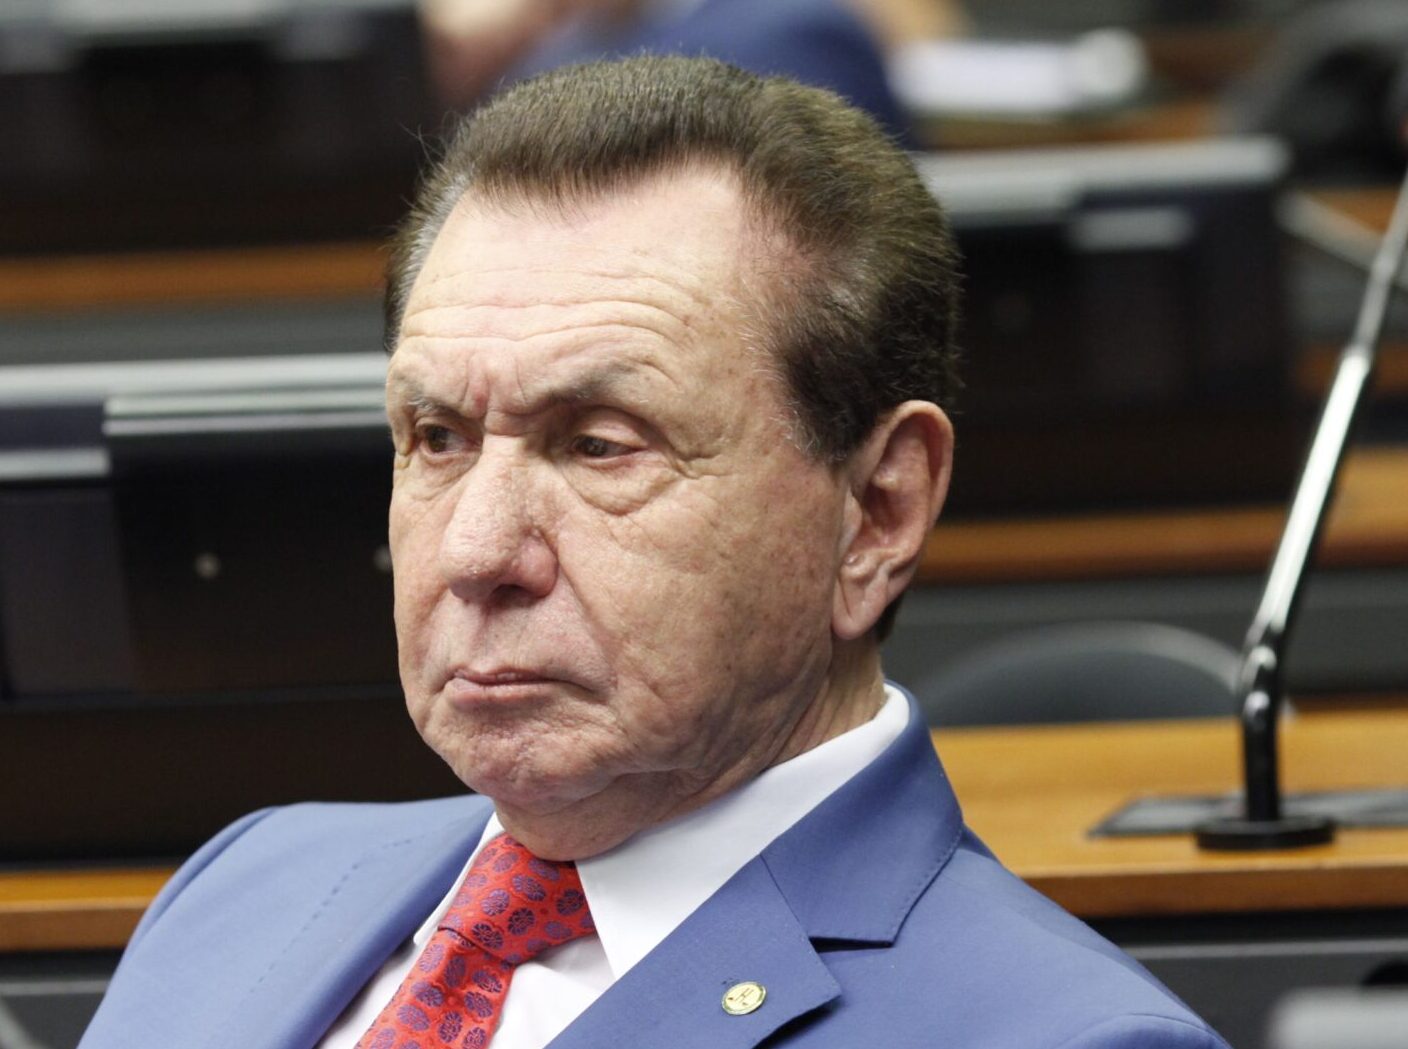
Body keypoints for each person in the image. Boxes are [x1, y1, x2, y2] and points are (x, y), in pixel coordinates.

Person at [79, 56, 1229, 1049]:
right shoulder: (245, 883)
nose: (475, 550)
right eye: (437, 437)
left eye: (599, 444)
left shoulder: (1067, 1036)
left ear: (877, 512)